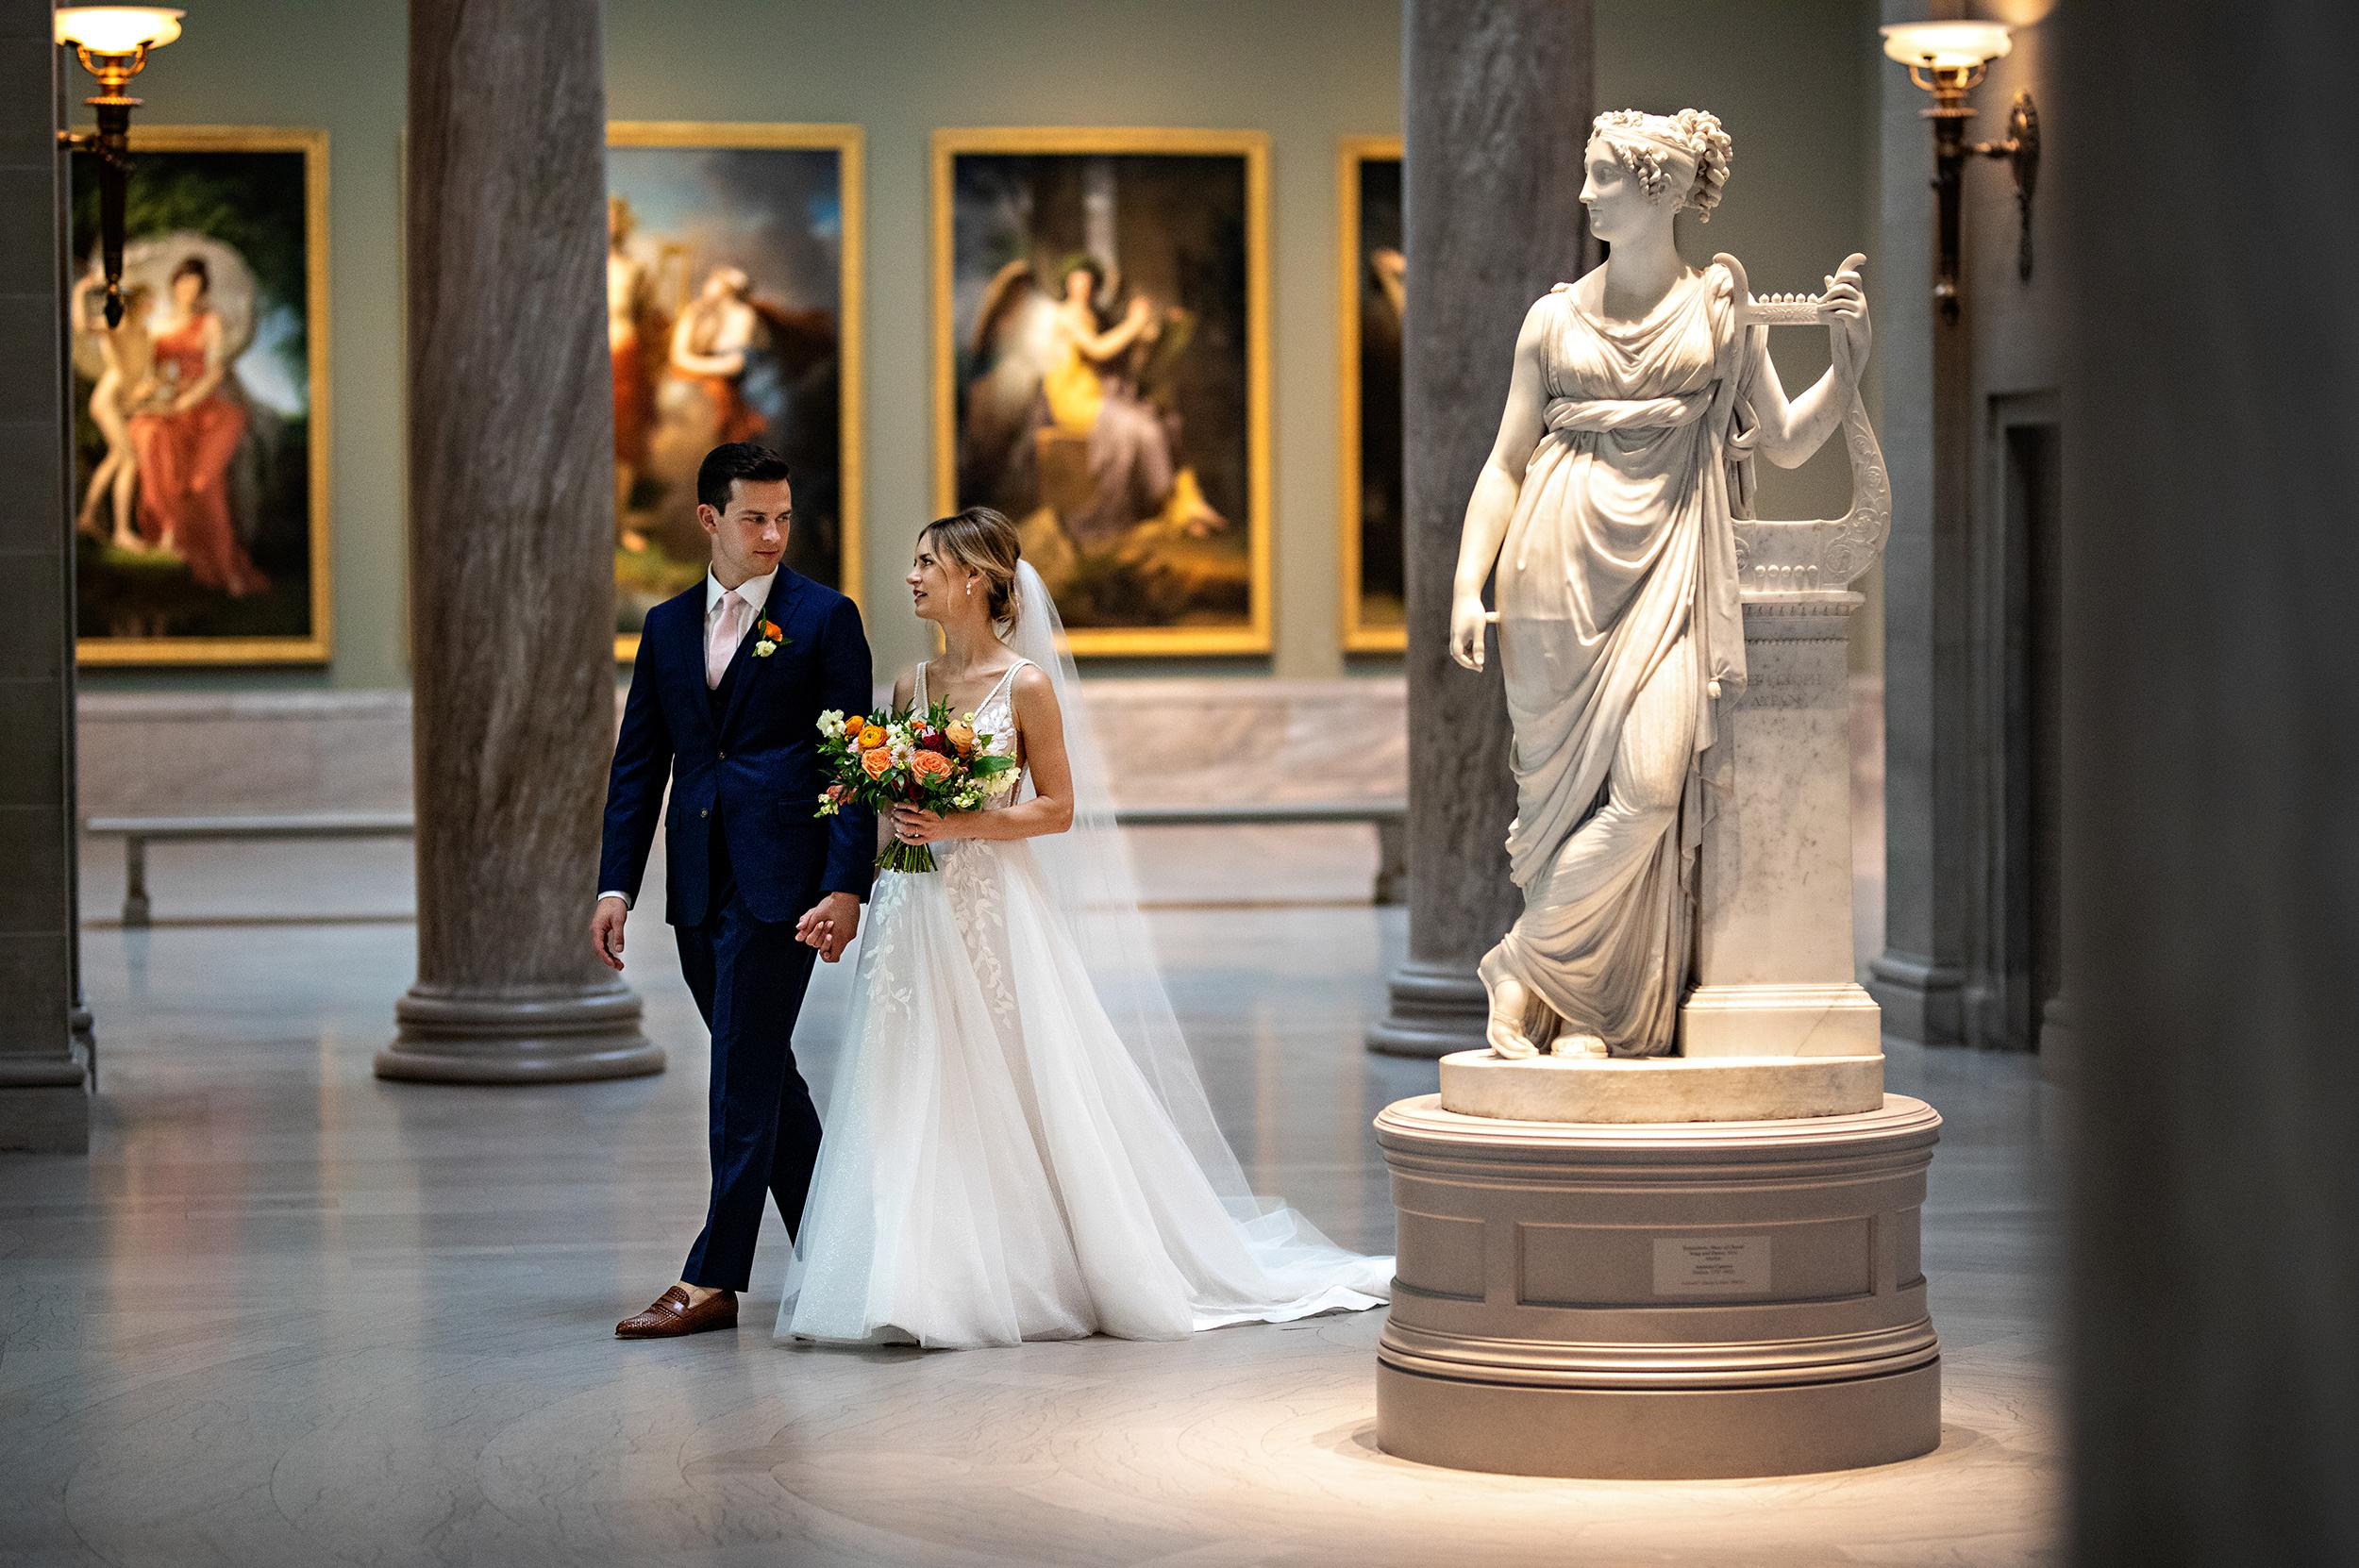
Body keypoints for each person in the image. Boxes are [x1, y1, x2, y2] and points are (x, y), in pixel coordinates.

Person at [776, 507, 1390, 1348]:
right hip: (915, 910)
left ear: (975, 579)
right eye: (913, 561)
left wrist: (967, 825)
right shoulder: (909, 684)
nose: (911, 576)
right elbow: (888, 808)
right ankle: (913, 1277)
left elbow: (1059, 808)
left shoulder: (1024, 685)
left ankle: (1024, 1272)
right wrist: (853, 880)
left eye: (927, 563)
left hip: (996, 910)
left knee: (1013, 1075)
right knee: (909, 1079)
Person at [1445, 108, 1870, 1059]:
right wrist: (1465, 584)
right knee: (1566, 806)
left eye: (1602, 175)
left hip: (1672, 562)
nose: (1585, 191)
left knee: (1646, 789)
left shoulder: (1720, 307)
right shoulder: (1552, 318)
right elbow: (1505, 462)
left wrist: (1847, 368)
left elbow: (1792, 440)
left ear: (1661, 190)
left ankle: (1524, 966)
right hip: (1554, 568)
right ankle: (1581, 1017)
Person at [595, 442, 878, 1338]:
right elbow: (639, 765)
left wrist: (846, 886)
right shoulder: (668, 626)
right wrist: (615, 887)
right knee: (765, 1077)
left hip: (784, 885)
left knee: (738, 1078)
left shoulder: (826, 618)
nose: (773, 535)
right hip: (696, 884)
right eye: (754, 518)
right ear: (709, 519)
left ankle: (712, 1278)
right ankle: (847, 1253)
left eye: (784, 517)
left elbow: (852, 765)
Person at [1040, 257, 1224, 547]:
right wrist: (1134, 324)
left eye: (1088, 280)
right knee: (1141, 428)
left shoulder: (1096, 316)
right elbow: (1099, 350)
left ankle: (1188, 502)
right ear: (1067, 282)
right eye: (1077, 280)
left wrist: (1164, 328)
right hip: (1075, 401)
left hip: (1101, 397)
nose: (1083, 287)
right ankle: (1174, 507)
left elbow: (1130, 344)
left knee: (1166, 423)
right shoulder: (1065, 316)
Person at [127, 257, 267, 596]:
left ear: (201, 289)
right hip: (169, 408)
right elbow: (152, 374)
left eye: (195, 284)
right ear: (174, 285)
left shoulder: (209, 322)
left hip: (206, 411)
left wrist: (187, 401)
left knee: (204, 484)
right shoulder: (158, 325)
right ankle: (171, 533)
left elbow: (214, 372)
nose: (188, 289)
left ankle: (226, 567)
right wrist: (144, 392)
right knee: (149, 436)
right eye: (183, 282)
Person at [73, 276, 156, 551]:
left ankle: (86, 517)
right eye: (147, 299)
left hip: (122, 404)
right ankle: (121, 531)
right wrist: (81, 291)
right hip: (106, 401)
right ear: (138, 303)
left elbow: (140, 376)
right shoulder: (119, 325)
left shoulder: (146, 335)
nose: (151, 304)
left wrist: (146, 389)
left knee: (117, 458)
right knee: (128, 459)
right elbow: (83, 327)